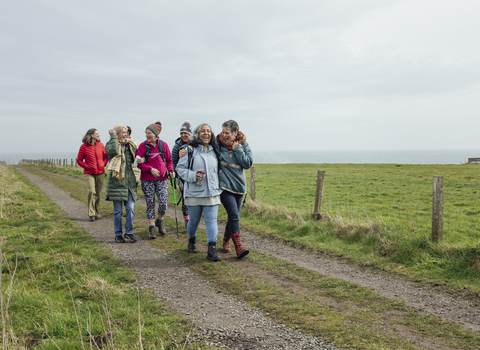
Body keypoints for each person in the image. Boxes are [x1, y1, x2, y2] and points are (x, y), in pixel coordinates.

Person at [176, 123, 222, 261]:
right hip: (194, 193)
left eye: (208, 131)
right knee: (194, 221)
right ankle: (191, 241)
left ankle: (211, 250)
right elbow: (180, 169)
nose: (206, 133)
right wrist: (192, 176)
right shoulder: (188, 150)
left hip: (212, 192)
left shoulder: (215, 151)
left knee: (211, 220)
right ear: (197, 134)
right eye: (203, 131)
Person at [216, 120, 253, 259]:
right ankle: (239, 247)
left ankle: (226, 240)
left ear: (235, 133)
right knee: (234, 215)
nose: (224, 135)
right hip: (224, 186)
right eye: (223, 132)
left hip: (239, 186)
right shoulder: (217, 144)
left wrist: (238, 148)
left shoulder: (243, 144)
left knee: (233, 216)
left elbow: (247, 163)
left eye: (227, 133)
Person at [136, 121, 175, 238]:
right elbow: (137, 163)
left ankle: (159, 220)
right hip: (147, 179)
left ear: (156, 134)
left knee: (163, 203)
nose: (147, 135)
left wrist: (171, 170)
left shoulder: (164, 145)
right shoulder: (142, 146)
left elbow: (169, 161)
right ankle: (151, 228)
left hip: (162, 179)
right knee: (150, 203)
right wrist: (150, 169)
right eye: (146, 133)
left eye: (149, 133)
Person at [105, 124, 139, 243]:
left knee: (130, 207)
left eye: (126, 132)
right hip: (117, 183)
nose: (126, 134)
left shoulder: (131, 145)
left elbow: (137, 158)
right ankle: (118, 234)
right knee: (118, 211)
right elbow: (113, 151)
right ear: (117, 133)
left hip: (129, 183)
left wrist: (140, 160)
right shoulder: (110, 144)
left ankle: (129, 232)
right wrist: (113, 137)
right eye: (123, 132)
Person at [76, 128, 108, 221]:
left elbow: (106, 157)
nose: (99, 135)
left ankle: (95, 212)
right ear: (91, 135)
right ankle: (91, 213)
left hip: (100, 172)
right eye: (97, 134)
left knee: (97, 193)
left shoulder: (101, 145)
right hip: (89, 173)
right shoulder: (83, 147)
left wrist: (104, 164)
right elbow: (79, 160)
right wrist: (87, 167)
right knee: (92, 191)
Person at [171, 120, 192, 229]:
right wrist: (173, 178)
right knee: (185, 200)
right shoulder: (176, 146)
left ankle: (193, 220)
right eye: (181, 133)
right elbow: (173, 162)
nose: (184, 135)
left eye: (186, 133)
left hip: (194, 176)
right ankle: (187, 222)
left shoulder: (195, 143)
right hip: (182, 177)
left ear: (190, 134)